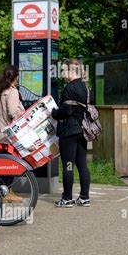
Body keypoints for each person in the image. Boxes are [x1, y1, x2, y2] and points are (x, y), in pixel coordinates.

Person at [51, 59, 92, 208]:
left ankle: (67, 198)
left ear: (71, 70)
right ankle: (84, 197)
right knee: (82, 164)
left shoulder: (69, 88)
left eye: (63, 70)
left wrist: (54, 113)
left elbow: (66, 111)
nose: (62, 73)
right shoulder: (85, 87)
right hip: (83, 130)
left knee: (68, 165)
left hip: (69, 131)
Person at [0, 65, 25, 203]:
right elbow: (12, 112)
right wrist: (23, 114)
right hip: (9, 135)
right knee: (10, 165)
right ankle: (6, 192)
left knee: (0, 164)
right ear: (15, 78)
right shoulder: (12, 92)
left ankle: (0, 191)